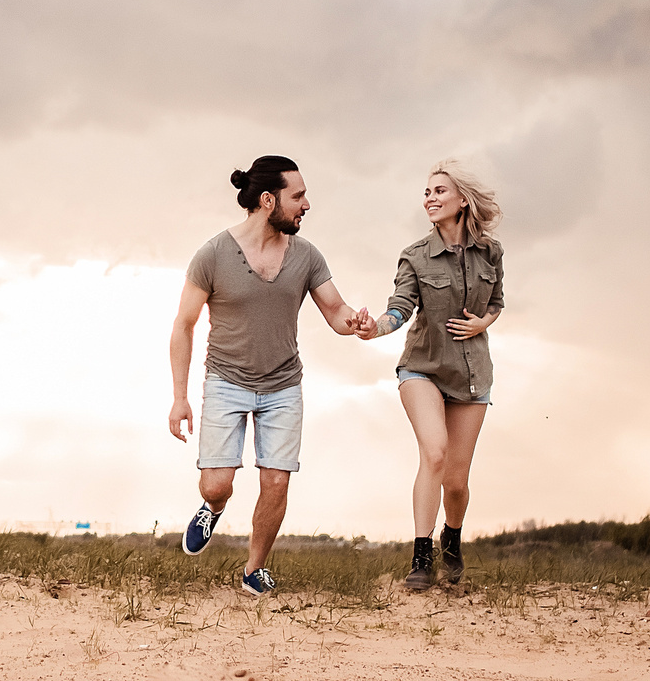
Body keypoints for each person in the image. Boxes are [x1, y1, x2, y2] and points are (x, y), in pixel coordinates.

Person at [168, 155, 375, 596]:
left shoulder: (306, 255)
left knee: (277, 481)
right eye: (297, 196)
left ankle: (253, 569)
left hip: (283, 386)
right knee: (216, 484)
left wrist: (354, 323)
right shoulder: (212, 255)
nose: (306, 205)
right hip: (226, 381)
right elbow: (183, 325)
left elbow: (335, 309)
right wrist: (179, 397)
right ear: (267, 200)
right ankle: (213, 507)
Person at [359, 162, 504, 591]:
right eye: (427, 192)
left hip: (472, 376)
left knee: (456, 482)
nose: (430, 198)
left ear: (463, 200)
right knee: (435, 453)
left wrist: (483, 324)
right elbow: (400, 307)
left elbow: (496, 302)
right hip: (422, 369)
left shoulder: (490, 252)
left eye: (439, 191)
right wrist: (375, 328)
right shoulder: (415, 255)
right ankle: (420, 558)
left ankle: (451, 540)